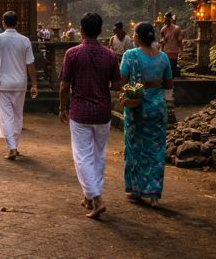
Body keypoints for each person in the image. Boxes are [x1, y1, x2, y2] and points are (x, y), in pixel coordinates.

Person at [59, 12, 123, 220]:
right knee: (98, 155)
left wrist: (62, 107)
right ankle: (89, 196)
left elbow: (64, 85)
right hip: (102, 111)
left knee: (82, 156)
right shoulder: (110, 55)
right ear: (100, 30)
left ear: (82, 31)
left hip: (80, 111)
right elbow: (116, 85)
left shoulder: (72, 53)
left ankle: (97, 199)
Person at [121, 22, 173, 208]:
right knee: (156, 149)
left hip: (137, 107)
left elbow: (122, 80)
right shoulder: (163, 57)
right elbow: (169, 84)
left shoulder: (130, 56)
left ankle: (136, 190)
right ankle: (154, 195)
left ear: (136, 37)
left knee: (135, 148)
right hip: (157, 108)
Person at [0, 11, 38, 160]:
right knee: (17, 115)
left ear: (3, 23)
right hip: (20, 83)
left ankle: (12, 147)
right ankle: (14, 145)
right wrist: (34, 84)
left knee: (7, 117)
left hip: (2, 83)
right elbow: (30, 64)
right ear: (17, 23)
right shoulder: (25, 40)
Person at [159, 12, 183, 78]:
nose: (165, 20)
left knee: (172, 68)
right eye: (165, 19)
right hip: (166, 52)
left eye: (167, 19)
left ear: (171, 19)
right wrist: (161, 51)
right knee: (166, 68)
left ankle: (171, 81)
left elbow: (180, 41)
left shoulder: (177, 28)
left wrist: (181, 50)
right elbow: (162, 42)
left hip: (174, 51)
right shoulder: (163, 29)